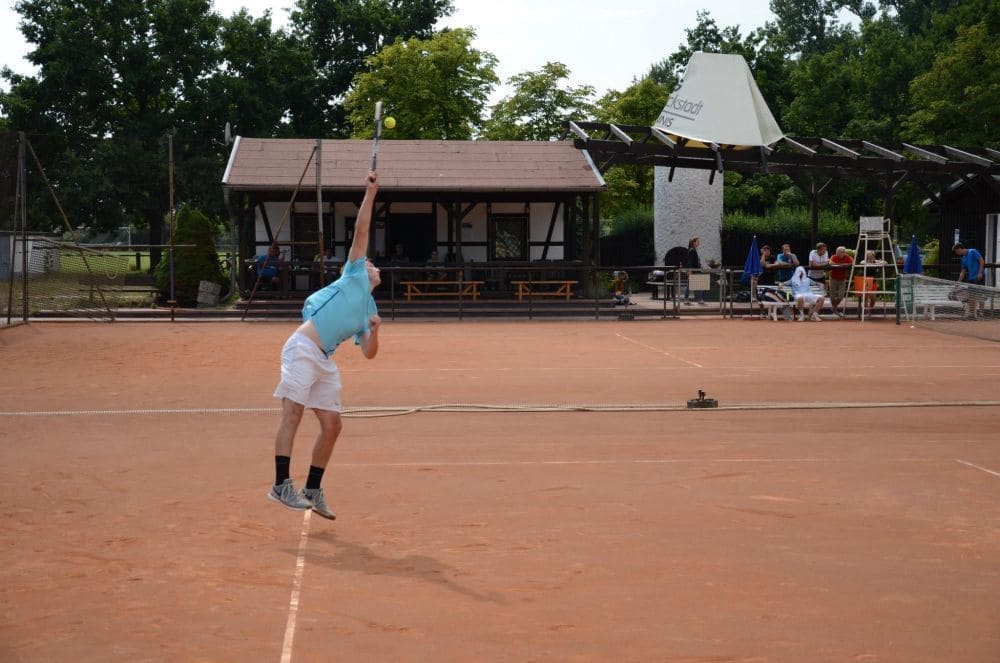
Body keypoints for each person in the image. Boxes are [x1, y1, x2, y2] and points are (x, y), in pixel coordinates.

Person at [267, 171, 382, 519]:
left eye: (375, 267)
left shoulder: (370, 309)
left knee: (333, 425)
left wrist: (375, 331)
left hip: (324, 361)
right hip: (302, 347)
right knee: (293, 412)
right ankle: (280, 484)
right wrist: (370, 191)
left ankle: (313, 489)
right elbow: (361, 230)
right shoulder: (354, 274)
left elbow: (369, 353)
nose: (374, 267)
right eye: (372, 264)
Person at [954, 242, 986, 318]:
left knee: (980, 295)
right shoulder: (963, 259)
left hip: (979, 277)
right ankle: (972, 314)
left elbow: (981, 261)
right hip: (971, 279)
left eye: (956, 251)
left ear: (960, 249)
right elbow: (963, 271)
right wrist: (958, 281)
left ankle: (981, 314)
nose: (957, 254)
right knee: (971, 296)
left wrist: (980, 273)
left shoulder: (973, 251)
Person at [827, 246, 853, 317]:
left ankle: (834, 308)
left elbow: (851, 263)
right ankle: (835, 310)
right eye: (841, 252)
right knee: (832, 296)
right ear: (837, 252)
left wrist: (839, 265)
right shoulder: (833, 257)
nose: (843, 253)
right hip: (833, 278)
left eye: (844, 252)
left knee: (841, 296)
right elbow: (831, 263)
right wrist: (843, 265)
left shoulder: (847, 257)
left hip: (842, 278)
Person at [684, 236, 706, 306]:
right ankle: (687, 299)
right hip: (693, 271)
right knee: (690, 285)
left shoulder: (693, 250)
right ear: (694, 242)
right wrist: (690, 271)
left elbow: (695, 261)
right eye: (697, 241)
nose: (699, 243)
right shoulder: (692, 250)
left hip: (695, 270)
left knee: (698, 285)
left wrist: (700, 265)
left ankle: (699, 299)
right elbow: (690, 262)